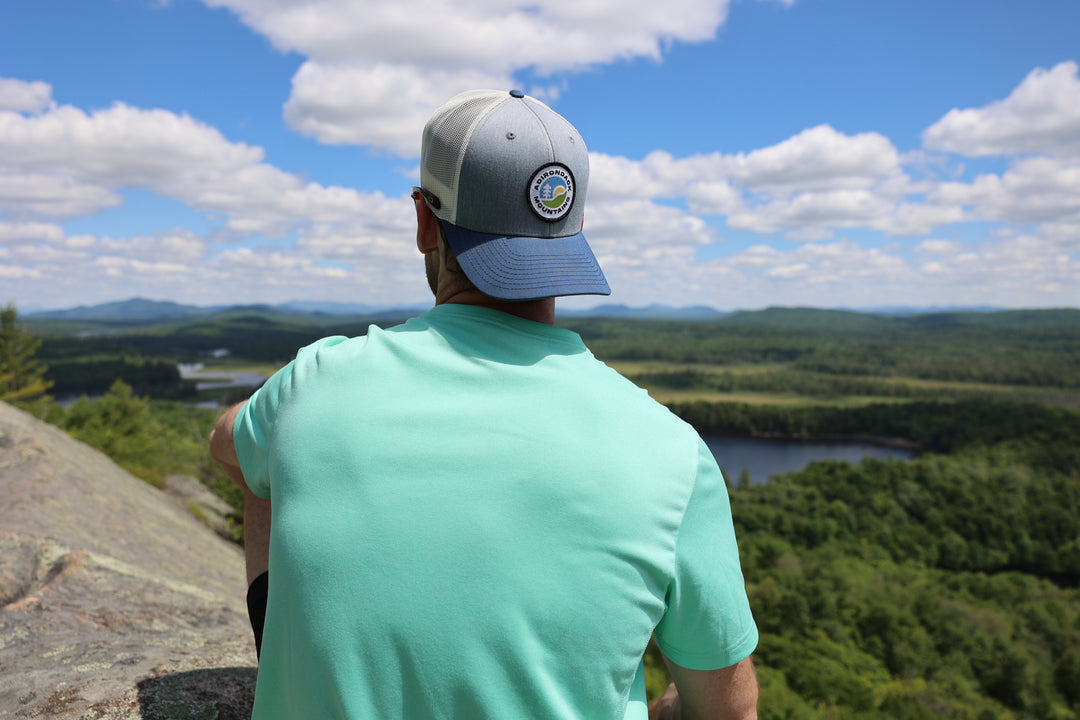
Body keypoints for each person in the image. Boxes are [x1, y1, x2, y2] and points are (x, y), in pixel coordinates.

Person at [210, 89, 758, 720]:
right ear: (572, 232)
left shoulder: (311, 383)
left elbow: (227, 444)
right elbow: (730, 713)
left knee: (263, 471)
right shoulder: (672, 451)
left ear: (424, 223)